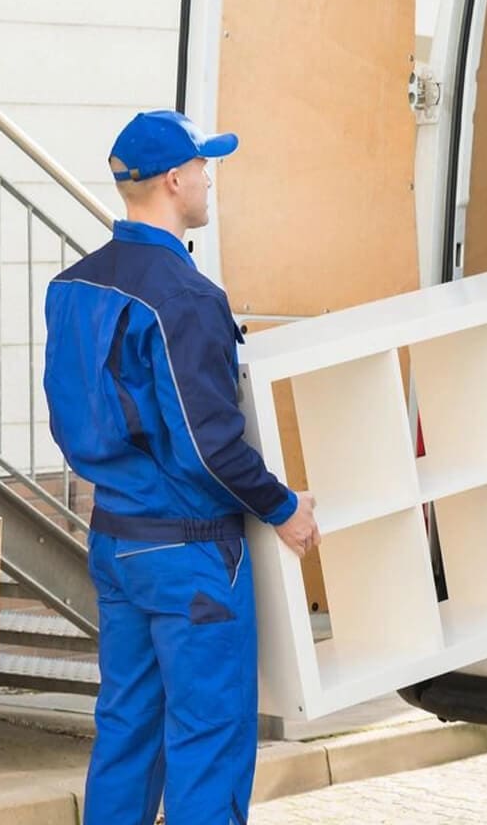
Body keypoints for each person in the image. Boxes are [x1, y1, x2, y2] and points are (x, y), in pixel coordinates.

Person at [43, 109, 320, 825]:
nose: (208, 179)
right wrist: (284, 506)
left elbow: (68, 411)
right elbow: (209, 445)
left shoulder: (73, 287)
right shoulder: (186, 296)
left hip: (116, 537)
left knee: (128, 734)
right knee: (206, 742)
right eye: (203, 166)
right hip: (191, 552)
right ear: (174, 179)